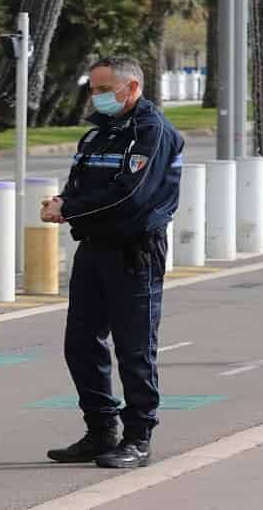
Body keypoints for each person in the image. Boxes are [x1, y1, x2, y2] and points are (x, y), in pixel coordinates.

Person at [41, 56, 183, 469]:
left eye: (105, 90)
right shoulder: (98, 134)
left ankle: (139, 437)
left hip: (135, 251)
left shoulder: (152, 132)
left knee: (135, 348)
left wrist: (69, 209)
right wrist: (65, 201)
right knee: (80, 344)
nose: (97, 97)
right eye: (94, 89)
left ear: (132, 88)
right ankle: (101, 430)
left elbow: (131, 195)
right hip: (95, 248)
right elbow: (79, 183)